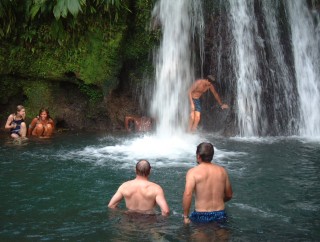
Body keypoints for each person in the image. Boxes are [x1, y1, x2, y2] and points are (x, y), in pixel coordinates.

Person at [182, 142, 233, 224]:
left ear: (198, 156)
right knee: (222, 237)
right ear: (212, 156)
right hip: (220, 214)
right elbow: (229, 195)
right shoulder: (222, 171)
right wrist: (219, 200)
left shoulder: (193, 172)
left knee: (200, 236)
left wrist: (185, 216)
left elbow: (188, 194)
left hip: (201, 214)